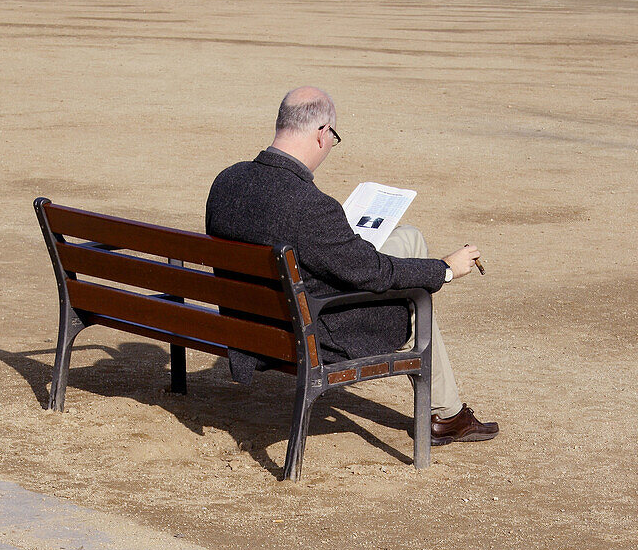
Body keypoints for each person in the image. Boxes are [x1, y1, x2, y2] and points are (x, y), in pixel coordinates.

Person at [205, 86, 498, 446]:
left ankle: (447, 408)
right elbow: (374, 275)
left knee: (407, 238)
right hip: (312, 332)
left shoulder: (227, 181)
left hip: (255, 322)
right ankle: (446, 413)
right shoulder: (310, 206)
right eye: (333, 138)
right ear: (321, 133)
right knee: (416, 290)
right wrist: (445, 269)